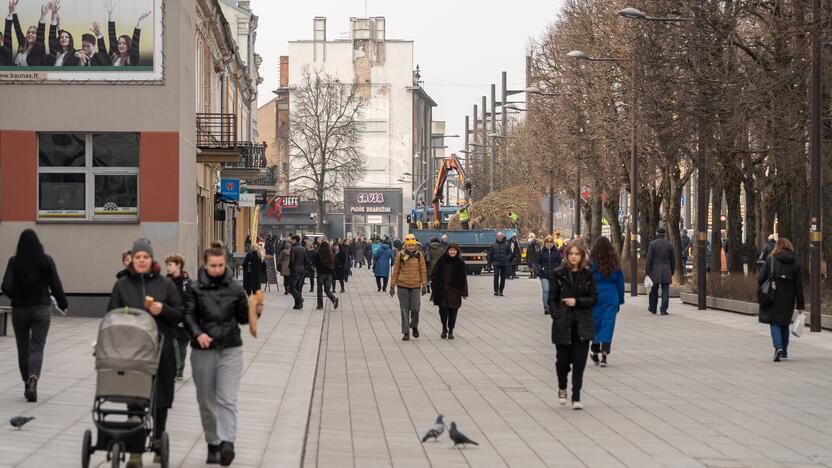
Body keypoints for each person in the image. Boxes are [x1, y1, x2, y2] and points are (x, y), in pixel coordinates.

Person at [107, 239, 183, 467]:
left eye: (145, 257)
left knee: (160, 399)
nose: (141, 260)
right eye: (138, 257)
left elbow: (179, 314)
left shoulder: (165, 285)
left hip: (162, 348)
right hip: (132, 351)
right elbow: (111, 313)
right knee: (134, 400)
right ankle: (136, 450)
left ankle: (159, 440)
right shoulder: (122, 285)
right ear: (133, 259)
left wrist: (163, 309)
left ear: (151, 260)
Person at [185, 241, 259, 466]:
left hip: (230, 349)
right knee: (206, 401)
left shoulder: (235, 288)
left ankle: (227, 443)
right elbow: (188, 315)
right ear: (205, 265)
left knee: (227, 399)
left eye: (220, 265)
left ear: (224, 264)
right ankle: (212, 442)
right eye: (212, 266)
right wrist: (198, 334)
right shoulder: (195, 288)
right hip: (203, 350)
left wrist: (255, 311)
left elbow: (244, 319)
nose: (216, 269)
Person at [1, 229, 68, 403]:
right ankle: (33, 379)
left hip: (20, 310)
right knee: (37, 347)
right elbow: (56, 284)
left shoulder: (14, 262)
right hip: (40, 309)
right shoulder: (46, 261)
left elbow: (5, 286)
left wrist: (17, 295)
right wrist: (63, 304)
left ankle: (26, 383)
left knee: (22, 348)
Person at [548, 240, 598, 410]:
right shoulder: (558, 274)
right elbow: (552, 297)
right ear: (566, 255)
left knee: (579, 362)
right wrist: (556, 314)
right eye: (571, 254)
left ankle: (576, 395)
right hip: (563, 323)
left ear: (582, 255)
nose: (574, 257)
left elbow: (593, 298)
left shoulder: (587, 274)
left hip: (582, 324)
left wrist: (577, 301)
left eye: (577, 254)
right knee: (562, 362)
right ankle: (562, 386)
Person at [758, 238, 805, 362]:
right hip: (789, 298)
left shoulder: (770, 260)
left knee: (775, 322)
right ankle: (784, 351)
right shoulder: (795, 263)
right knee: (784, 323)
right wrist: (800, 305)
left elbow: (760, 279)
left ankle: (778, 347)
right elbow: (799, 286)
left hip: (773, 295)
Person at [588, 237, 625, 367]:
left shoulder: (591, 263)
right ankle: (605, 353)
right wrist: (620, 300)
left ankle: (594, 349)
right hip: (611, 296)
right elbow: (620, 283)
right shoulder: (615, 263)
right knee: (608, 324)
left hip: (595, 295)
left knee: (596, 322)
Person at [390, 236, 427, 341]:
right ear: (406, 245)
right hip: (402, 286)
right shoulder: (400, 255)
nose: (411, 247)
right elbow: (395, 271)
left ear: (415, 246)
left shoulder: (419, 256)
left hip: (415, 286)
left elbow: (423, 271)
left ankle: (414, 326)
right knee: (404, 310)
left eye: (413, 245)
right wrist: (392, 286)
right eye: (409, 245)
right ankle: (406, 332)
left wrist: (424, 285)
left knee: (416, 309)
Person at [430, 243, 468, 339]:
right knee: (443, 311)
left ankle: (451, 330)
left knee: (453, 312)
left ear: (457, 251)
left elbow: (463, 279)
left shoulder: (460, 263)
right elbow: (433, 274)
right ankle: (444, 328)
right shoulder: (441, 261)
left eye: (454, 250)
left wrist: (464, 293)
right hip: (442, 291)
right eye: (451, 250)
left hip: (454, 292)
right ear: (447, 251)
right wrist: (434, 286)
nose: (452, 252)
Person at [165, 254, 192, 381]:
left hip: (184, 321)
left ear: (178, 265)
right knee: (173, 345)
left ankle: (180, 370)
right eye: (167, 265)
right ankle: (175, 370)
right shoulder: (166, 282)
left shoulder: (187, 282)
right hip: (171, 320)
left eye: (170, 265)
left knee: (182, 349)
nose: (167, 267)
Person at [106, 1, 150, 66]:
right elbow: (112, 36)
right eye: (119, 43)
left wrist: (139, 21)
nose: (121, 45)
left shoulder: (132, 59)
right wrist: (111, 15)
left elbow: (135, 42)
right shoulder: (114, 55)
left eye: (124, 43)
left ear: (129, 45)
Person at [645, 227, 674, 315]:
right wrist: (672, 271)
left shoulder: (652, 244)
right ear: (664, 235)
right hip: (666, 270)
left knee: (654, 290)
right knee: (665, 290)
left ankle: (653, 308)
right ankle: (663, 309)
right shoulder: (669, 244)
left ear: (657, 234)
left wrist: (647, 270)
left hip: (654, 270)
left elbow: (649, 259)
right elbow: (673, 260)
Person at [535, 235, 562, 315]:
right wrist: (541, 269)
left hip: (554, 274)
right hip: (544, 274)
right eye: (548, 241)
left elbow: (560, 262)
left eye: (551, 241)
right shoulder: (541, 252)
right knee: (546, 290)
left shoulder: (556, 252)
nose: (549, 243)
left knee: (553, 291)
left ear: (553, 243)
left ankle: (552, 307)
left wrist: (557, 269)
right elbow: (537, 263)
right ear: (545, 242)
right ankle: (546, 307)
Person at [312, 241, 340, 310]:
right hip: (329, 274)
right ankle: (334, 299)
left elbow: (315, 263)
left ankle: (320, 305)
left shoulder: (318, 254)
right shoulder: (331, 254)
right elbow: (337, 262)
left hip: (320, 274)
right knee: (327, 290)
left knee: (319, 290)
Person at [487, 232, 513, 296]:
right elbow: (489, 256)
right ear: (496, 237)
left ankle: (501, 291)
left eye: (501, 236)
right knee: (496, 276)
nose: (499, 237)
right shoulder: (493, 245)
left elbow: (510, 254)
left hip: (504, 264)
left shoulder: (507, 244)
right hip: (496, 263)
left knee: (503, 277)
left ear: (503, 236)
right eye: (498, 236)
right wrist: (489, 265)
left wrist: (506, 258)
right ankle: (496, 291)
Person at [288, 235, 307, 309]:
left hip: (295, 270)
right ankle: (298, 305)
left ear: (295, 240)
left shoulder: (293, 248)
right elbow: (306, 260)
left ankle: (300, 299)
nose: (291, 241)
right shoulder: (303, 248)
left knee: (292, 288)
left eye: (292, 240)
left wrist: (290, 267)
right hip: (302, 270)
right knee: (299, 288)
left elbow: (292, 261)